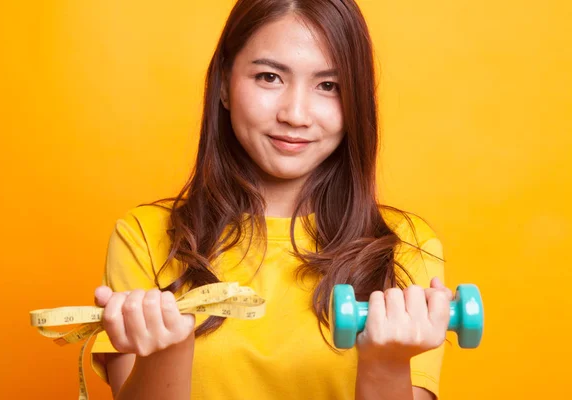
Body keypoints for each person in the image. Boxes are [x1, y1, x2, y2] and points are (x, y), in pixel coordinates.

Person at [90, 0, 453, 399]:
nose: (296, 114)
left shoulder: (405, 247)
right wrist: (167, 349)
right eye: (269, 77)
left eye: (329, 86)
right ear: (225, 83)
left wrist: (387, 362)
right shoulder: (144, 237)